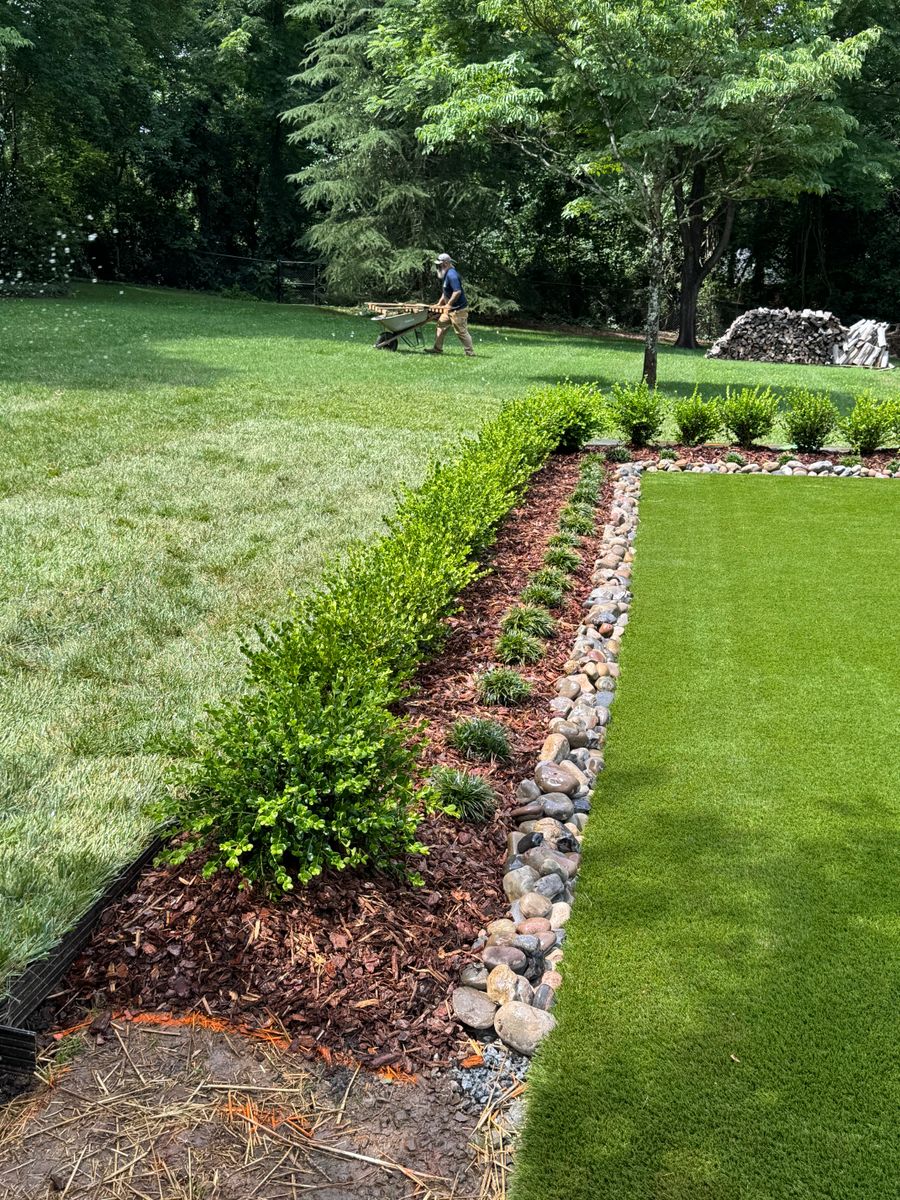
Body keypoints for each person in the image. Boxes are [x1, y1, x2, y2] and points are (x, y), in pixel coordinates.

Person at [426, 253, 475, 356]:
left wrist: (448, 305)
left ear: (446, 263)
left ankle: (470, 353)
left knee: (461, 331)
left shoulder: (452, 275)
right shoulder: (445, 273)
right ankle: (437, 349)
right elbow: (446, 291)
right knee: (441, 325)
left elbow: (457, 292)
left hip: (458, 310)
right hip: (449, 309)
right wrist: (440, 304)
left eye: (439, 264)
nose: (438, 267)